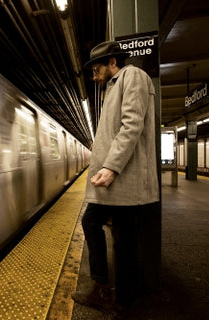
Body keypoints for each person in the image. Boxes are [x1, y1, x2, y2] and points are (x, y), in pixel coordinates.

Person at [71, 41, 159, 312]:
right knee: (117, 235)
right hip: (116, 180)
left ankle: (120, 299)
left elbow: (132, 124)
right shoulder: (114, 85)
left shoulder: (132, 76)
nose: (93, 76)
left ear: (112, 62)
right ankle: (111, 293)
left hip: (123, 177)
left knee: (122, 239)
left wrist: (111, 166)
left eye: (96, 70)